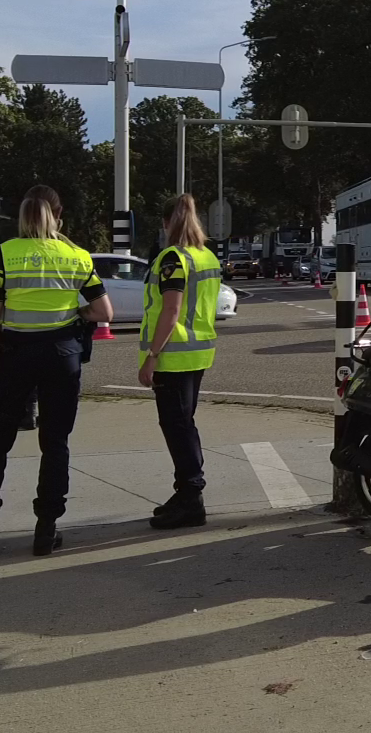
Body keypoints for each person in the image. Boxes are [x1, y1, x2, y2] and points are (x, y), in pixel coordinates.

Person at [0, 185, 111, 557]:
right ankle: (46, 529)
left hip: (16, 357)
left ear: (21, 217)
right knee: (55, 443)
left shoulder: (5, 255)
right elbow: (104, 312)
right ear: (58, 217)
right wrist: (74, 315)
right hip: (62, 356)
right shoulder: (77, 255)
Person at [138, 194, 223, 529]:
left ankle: (191, 496)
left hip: (173, 356)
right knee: (184, 423)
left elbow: (171, 311)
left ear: (165, 223)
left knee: (176, 426)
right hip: (198, 352)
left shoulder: (173, 258)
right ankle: (187, 491)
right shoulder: (206, 256)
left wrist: (151, 356)